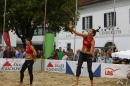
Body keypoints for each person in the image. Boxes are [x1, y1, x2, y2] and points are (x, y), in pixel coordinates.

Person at [69, 21, 100, 86]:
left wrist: (86, 52)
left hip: (88, 54)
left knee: (89, 69)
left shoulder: (92, 41)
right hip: (82, 53)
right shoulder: (85, 36)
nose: (89, 31)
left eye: (90, 31)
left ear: (93, 34)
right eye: (89, 30)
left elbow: (91, 52)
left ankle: (92, 84)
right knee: (79, 65)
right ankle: (76, 82)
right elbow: (76, 33)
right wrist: (71, 29)